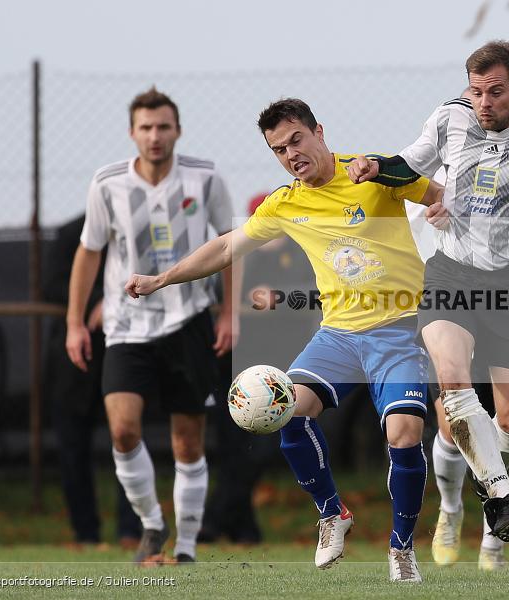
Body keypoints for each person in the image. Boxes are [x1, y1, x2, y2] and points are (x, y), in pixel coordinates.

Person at [124, 98, 447, 582]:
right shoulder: (286, 202)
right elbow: (225, 247)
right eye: (279, 149)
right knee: (286, 409)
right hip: (337, 334)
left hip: (398, 330)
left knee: (403, 436)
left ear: (319, 131)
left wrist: (438, 209)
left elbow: (435, 193)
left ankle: (401, 550)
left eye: (296, 140)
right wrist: (164, 277)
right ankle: (332, 513)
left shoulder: (370, 172)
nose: (291, 154)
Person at [349, 40, 509, 548]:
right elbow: (407, 167)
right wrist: (376, 166)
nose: (484, 102)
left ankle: (490, 519)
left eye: (496, 92)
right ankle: (460, 504)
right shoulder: (449, 119)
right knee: (453, 385)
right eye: (477, 91)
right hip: (450, 275)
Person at [65, 87, 237, 565]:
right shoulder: (108, 183)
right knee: (122, 431)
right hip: (125, 328)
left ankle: (185, 547)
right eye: (146, 127)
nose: (155, 136)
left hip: (188, 321)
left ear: (177, 130)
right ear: (132, 133)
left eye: (163, 126)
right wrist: (75, 323)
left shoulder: (204, 178)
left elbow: (229, 244)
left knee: (187, 440)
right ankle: (151, 524)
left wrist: (227, 312)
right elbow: (89, 251)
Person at [199, 193, 318, 545]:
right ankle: (244, 529)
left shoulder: (301, 253)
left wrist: (278, 297)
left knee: (266, 447)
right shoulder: (239, 257)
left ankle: (213, 521)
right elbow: (220, 301)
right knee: (234, 448)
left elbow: (319, 294)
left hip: (284, 365)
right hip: (236, 365)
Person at [44, 213, 142, 546]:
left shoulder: (136, 236)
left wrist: (114, 299)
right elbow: (51, 284)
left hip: (124, 354)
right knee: (73, 449)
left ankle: (131, 529)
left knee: (127, 438)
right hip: (75, 362)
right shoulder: (71, 233)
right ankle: (85, 533)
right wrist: (98, 298)